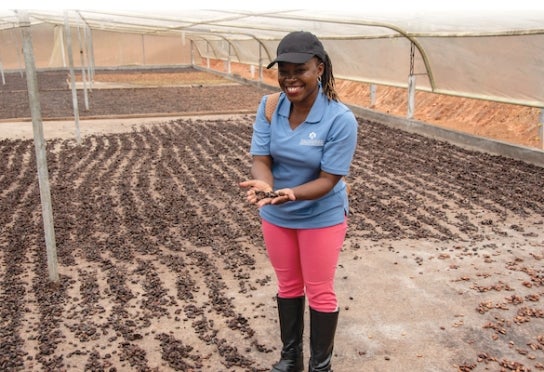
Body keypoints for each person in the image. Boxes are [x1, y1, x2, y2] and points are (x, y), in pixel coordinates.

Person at [239, 31, 358, 372]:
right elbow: (262, 156)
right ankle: (291, 358)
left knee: (319, 289)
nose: (290, 78)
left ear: (318, 68)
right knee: (288, 285)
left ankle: (320, 366)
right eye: (284, 70)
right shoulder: (270, 106)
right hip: (276, 214)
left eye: (299, 69)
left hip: (321, 214)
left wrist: (290, 193)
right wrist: (266, 185)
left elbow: (329, 179)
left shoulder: (340, 118)